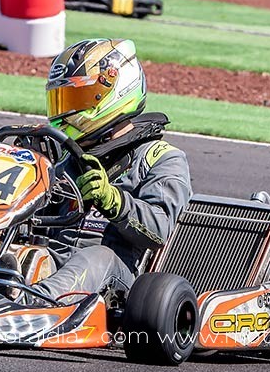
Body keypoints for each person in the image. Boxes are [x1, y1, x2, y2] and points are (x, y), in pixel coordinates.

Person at [34, 37, 192, 302]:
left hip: (118, 283)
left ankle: (36, 304)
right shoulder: (65, 157)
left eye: (77, 98)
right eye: (62, 100)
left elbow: (160, 230)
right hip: (54, 261)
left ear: (114, 93)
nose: (67, 112)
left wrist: (114, 201)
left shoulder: (161, 158)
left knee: (98, 256)